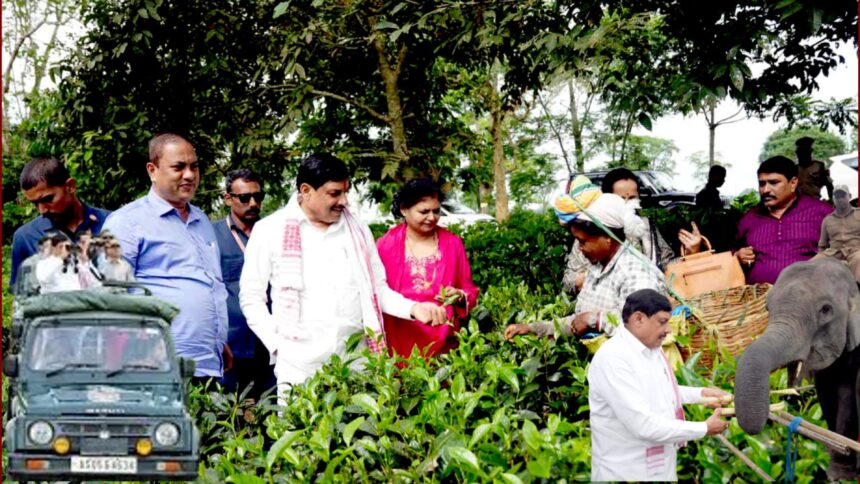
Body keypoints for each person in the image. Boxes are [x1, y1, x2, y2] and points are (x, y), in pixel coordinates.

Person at [239, 153, 447, 396]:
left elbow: (377, 289)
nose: (344, 201)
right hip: (299, 366)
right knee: (303, 433)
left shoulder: (357, 229)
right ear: (306, 191)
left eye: (345, 192)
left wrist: (413, 309)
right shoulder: (269, 231)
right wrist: (278, 346)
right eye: (334, 193)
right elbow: (251, 298)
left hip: (357, 360)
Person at [103, 133, 231, 382]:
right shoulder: (126, 223)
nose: (190, 175)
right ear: (152, 170)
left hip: (208, 364)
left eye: (194, 166)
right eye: (178, 167)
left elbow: (207, 284)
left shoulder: (201, 220)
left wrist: (216, 339)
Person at [588, 289, 730, 481]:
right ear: (638, 319)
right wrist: (703, 428)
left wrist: (701, 394)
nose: (669, 330)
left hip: (657, 469)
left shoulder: (650, 349)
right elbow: (642, 424)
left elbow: (659, 389)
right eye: (662, 322)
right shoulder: (613, 359)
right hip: (626, 474)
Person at [505, 182, 668, 340]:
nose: (580, 249)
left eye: (583, 242)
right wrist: (534, 329)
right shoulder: (596, 268)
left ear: (607, 238)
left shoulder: (634, 272)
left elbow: (644, 327)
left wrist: (594, 320)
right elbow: (578, 322)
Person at [376, 179, 479, 358]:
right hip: (400, 335)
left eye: (436, 211)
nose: (432, 217)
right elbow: (378, 291)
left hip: (443, 335)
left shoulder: (452, 243)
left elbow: (469, 289)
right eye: (424, 211)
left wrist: (460, 296)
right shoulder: (385, 245)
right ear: (404, 209)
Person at [562, 168, 701, 295]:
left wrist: (690, 253)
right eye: (621, 199)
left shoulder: (646, 227)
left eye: (633, 198)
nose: (628, 203)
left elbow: (667, 266)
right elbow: (569, 283)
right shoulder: (593, 233)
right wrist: (602, 276)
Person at [213, 168, 276, 401]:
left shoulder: (272, 233)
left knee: (273, 411)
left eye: (258, 197)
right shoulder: (212, 236)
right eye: (244, 197)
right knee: (228, 414)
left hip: (270, 341)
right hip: (231, 344)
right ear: (228, 198)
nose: (253, 203)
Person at [11, 157, 110, 287]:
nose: (42, 210)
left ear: (70, 186)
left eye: (48, 199)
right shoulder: (25, 237)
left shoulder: (112, 223)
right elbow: (23, 295)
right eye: (35, 204)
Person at [735, 156, 833, 284]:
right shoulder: (749, 219)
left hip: (810, 298)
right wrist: (738, 255)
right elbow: (731, 251)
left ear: (793, 183)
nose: (765, 190)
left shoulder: (822, 212)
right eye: (762, 183)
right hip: (760, 301)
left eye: (774, 183)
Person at [814, 185, 860, 282]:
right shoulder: (827, 220)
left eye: (843, 196)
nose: (840, 199)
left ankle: (857, 289)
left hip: (855, 251)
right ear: (833, 199)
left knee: (859, 259)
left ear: (850, 196)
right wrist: (821, 255)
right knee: (809, 265)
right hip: (834, 252)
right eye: (837, 196)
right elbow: (822, 245)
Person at [35, 234, 101, 293]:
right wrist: (60, 259)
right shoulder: (43, 263)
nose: (64, 249)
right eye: (61, 247)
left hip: (75, 301)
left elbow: (93, 282)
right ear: (53, 248)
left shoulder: (73, 262)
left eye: (67, 247)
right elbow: (44, 279)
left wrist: (85, 261)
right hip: (54, 302)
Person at [795, 136, 834, 202]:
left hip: (814, 202)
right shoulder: (794, 169)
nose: (801, 155)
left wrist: (831, 200)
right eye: (799, 153)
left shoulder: (818, 166)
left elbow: (829, 184)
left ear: (810, 152)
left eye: (805, 152)